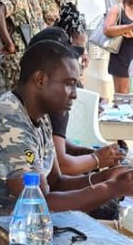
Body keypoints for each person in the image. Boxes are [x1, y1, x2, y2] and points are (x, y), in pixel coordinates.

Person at [0, 40, 133, 213]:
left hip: (27, 232)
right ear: (40, 80)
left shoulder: (39, 116)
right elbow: (39, 203)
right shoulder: (8, 121)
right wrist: (113, 188)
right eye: (69, 84)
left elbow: (55, 182)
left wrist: (105, 177)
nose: (75, 94)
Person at [38, 15, 125, 176]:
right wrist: (97, 160)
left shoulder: (38, 109)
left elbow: (52, 144)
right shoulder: (55, 101)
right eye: (68, 83)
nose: (84, 58)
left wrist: (87, 153)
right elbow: (61, 166)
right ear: (41, 79)